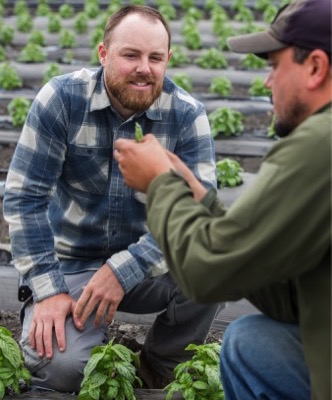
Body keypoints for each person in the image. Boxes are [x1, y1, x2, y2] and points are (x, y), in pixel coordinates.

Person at [114, 0, 331, 399]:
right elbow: (277, 289)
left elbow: (207, 274)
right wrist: (200, 200)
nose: (267, 83)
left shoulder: (320, 145)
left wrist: (160, 184)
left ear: (315, 67)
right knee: (251, 341)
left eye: (275, 65)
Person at [3, 5, 220, 393]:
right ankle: (77, 332)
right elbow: (25, 198)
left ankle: (159, 364)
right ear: (104, 54)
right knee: (64, 371)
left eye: (155, 58)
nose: (144, 68)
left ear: (168, 59)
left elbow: (197, 212)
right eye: (131, 55)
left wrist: (124, 269)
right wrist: (48, 290)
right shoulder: (62, 100)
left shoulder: (186, 115)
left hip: (151, 268)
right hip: (72, 262)